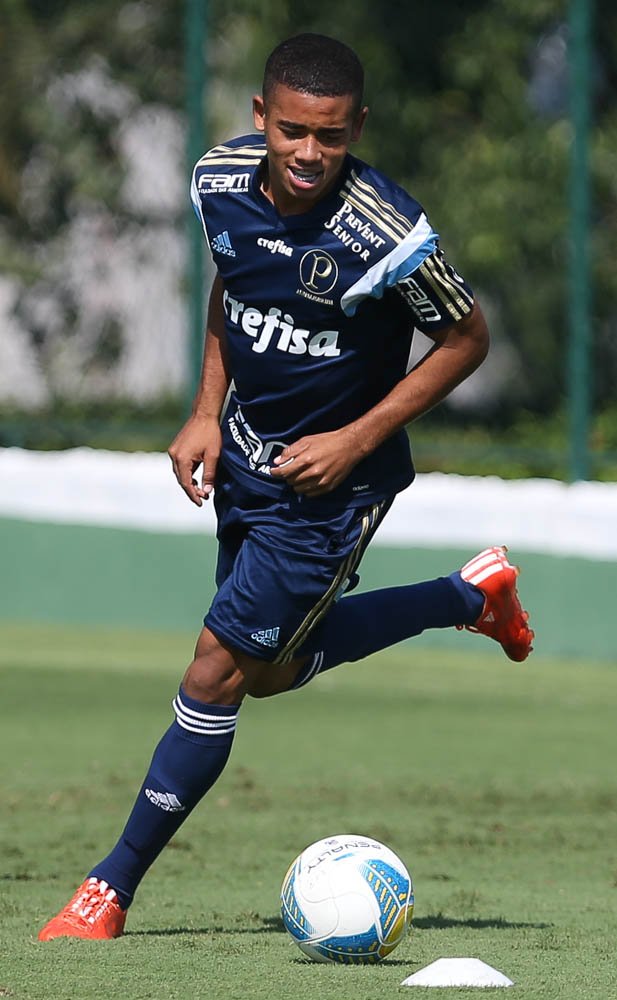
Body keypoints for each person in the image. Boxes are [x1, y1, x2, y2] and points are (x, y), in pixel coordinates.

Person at [38, 33, 533, 941]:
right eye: (295, 131)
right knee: (266, 673)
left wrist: (354, 438)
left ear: (356, 130)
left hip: (334, 492)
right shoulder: (218, 181)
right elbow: (232, 288)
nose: (310, 154)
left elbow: (467, 341)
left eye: (333, 137)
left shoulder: (387, 235)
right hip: (245, 462)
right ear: (261, 118)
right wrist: (202, 409)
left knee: (215, 670)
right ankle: (467, 596)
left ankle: (107, 890)